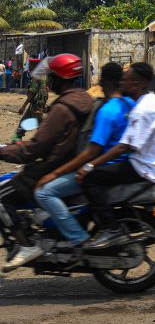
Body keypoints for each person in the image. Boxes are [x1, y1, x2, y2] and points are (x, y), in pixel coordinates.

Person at [0, 54, 91, 271]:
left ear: (60, 78)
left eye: (52, 76)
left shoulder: (62, 108)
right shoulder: (84, 98)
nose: (49, 81)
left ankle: (26, 243)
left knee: (3, 197)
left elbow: (35, 148)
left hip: (55, 166)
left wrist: (5, 152)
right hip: (70, 162)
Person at [33, 63, 135, 250]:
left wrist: (55, 174)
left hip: (103, 167)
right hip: (124, 165)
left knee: (44, 192)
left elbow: (92, 151)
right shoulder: (131, 105)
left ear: (102, 82)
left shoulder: (107, 111)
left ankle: (78, 239)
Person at [78, 62, 155, 250]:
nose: (121, 84)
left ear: (137, 84)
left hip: (144, 168)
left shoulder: (142, 109)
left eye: (125, 81)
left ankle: (111, 228)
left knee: (90, 180)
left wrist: (89, 166)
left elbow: (124, 147)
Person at [13, 60, 48, 142]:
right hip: (36, 104)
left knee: (41, 126)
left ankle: (48, 143)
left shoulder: (36, 76)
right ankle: (16, 141)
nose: (29, 66)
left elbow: (31, 93)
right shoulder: (43, 75)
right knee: (23, 123)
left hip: (36, 105)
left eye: (31, 65)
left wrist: (23, 106)